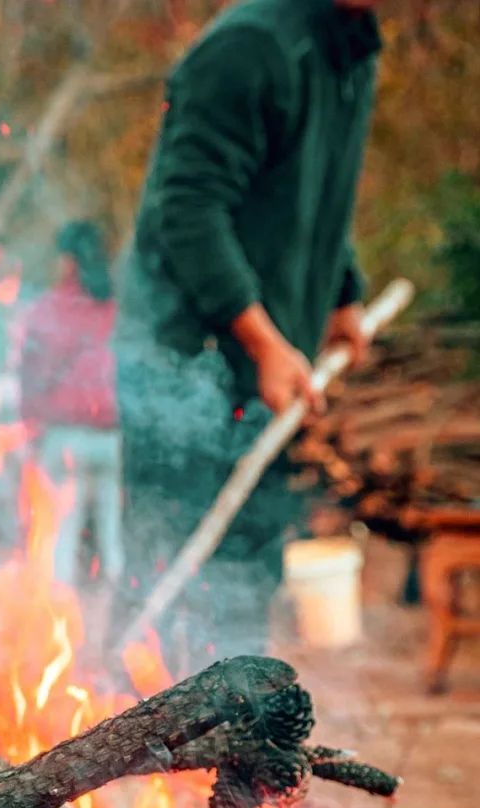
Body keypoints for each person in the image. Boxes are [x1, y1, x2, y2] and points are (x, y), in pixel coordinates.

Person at [119, 0, 382, 667]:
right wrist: (264, 342)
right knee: (175, 576)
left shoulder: (351, 49)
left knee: (248, 574)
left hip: (265, 368)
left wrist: (339, 294)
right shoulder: (250, 49)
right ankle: (137, 749)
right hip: (188, 367)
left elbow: (312, 197)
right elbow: (188, 208)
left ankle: (234, 753)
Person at [14, 221, 122, 589]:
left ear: (70, 261)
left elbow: (30, 373)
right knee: (111, 541)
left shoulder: (48, 308)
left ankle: (55, 626)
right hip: (110, 438)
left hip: (66, 439)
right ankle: (114, 625)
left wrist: (29, 424)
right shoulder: (113, 308)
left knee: (59, 540)